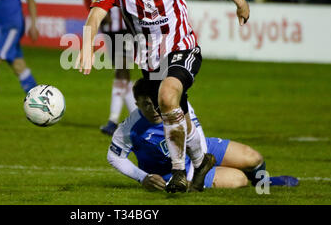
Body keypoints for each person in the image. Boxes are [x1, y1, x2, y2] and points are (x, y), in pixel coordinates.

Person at [76, 0, 250, 193]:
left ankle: (179, 172)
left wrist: (239, 0)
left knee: (167, 97)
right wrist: (87, 45)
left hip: (183, 49)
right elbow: (96, 14)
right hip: (150, 63)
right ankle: (202, 161)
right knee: (180, 117)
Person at [107, 78, 299, 191]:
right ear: (136, 103)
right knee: (238, 179)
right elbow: (114, 156)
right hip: (172, 173)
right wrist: (143, 178)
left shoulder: (175, 104)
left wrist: (198, 170)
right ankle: (251, 183)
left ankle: (264, 183)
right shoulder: (130, 128)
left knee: (253, 157)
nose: (154, 108)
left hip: (198, 147)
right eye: (146, 104)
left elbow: (197, 132)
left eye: (155, 101)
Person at [82, 0, 137, 136]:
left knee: (125, 69)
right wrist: (94, 10)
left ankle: (120, 120)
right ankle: (132, 118)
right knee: (122, 70)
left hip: (130, 23)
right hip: (110, 24)